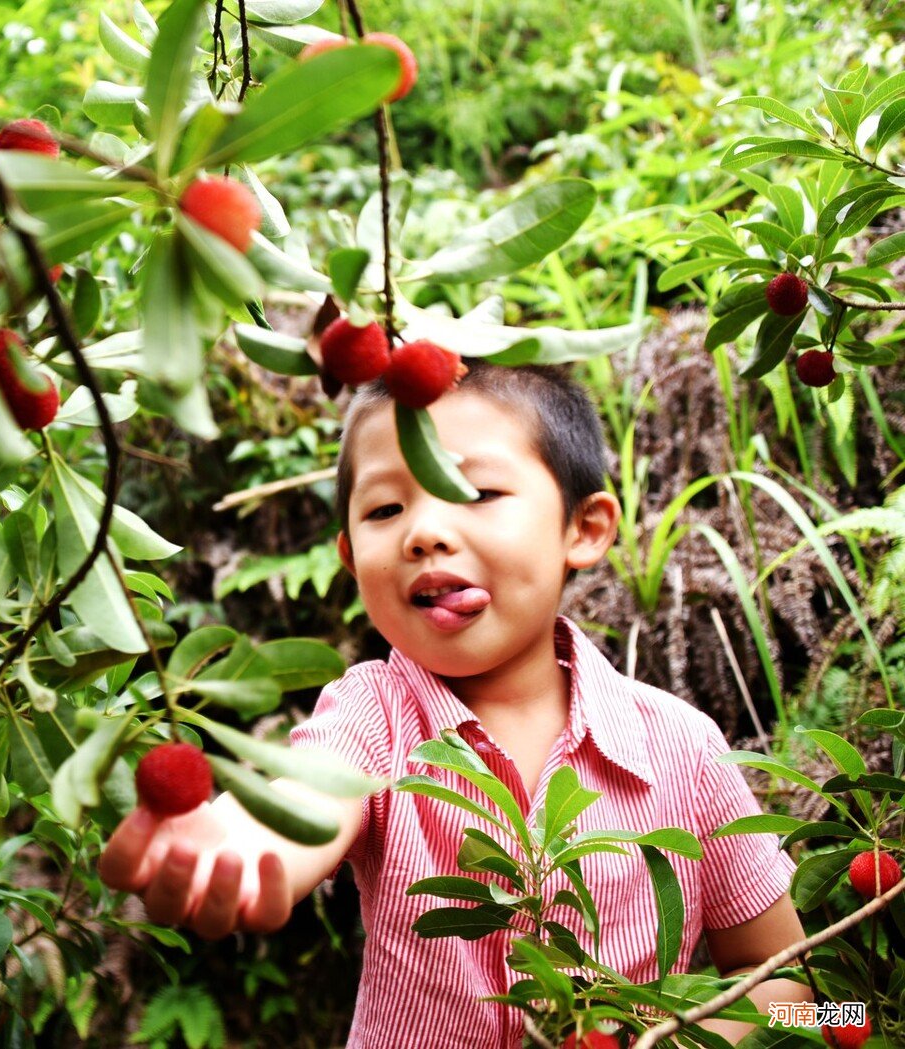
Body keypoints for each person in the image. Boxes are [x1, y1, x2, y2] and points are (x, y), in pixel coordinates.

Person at [99, 361, 812, 1047]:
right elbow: (307, 794)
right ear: (351, 558)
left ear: (585, 528)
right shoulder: (374, 713)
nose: (425, 532)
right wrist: (238, 844)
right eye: (385, 507)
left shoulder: (684, 749)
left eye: (475, 492)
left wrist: (685, 1040)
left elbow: (797, 991)